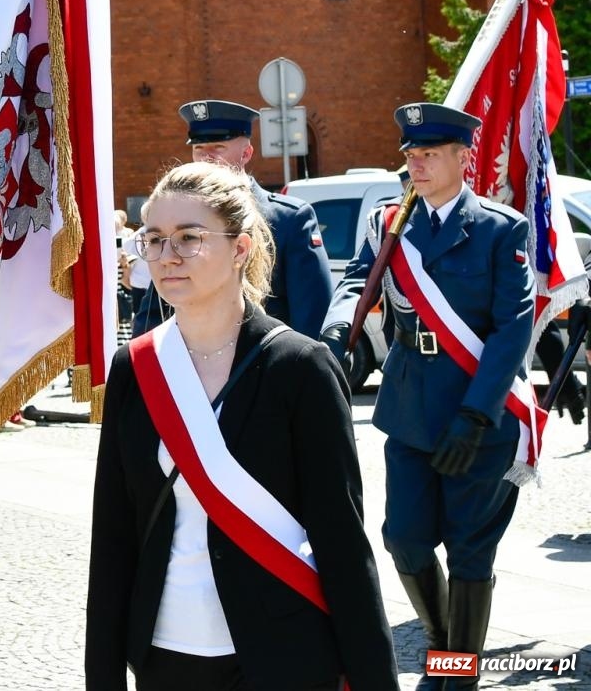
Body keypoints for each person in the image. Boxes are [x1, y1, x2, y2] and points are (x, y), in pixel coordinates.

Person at [86, 161, 397, 691]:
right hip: (165, 654)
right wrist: (104, 674)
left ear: (240, 248)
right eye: (154, 239)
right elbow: (113, 534)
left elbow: (342, 542)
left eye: (189, 237)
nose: (167, 256)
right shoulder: (135, 368)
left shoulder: (301, 368)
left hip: (284, 652)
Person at [320, 104, 535, 687]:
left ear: (464, 158)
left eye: (429, 154)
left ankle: (457, 674)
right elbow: (355, 279)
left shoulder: (499, 227)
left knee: (470, 551)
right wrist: (340, 326)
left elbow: (513, 328)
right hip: (410, 405)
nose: (415, 163)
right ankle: (444, 646)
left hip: (477, 412)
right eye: (410, 154)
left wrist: (476, 412)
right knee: (404, 537)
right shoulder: (393, 221)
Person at [132, 100, 332, 338]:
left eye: (218, 147)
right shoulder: (177, 217)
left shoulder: (288, 219)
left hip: (268, 363)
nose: (206, 158)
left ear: (246, 153)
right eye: (199, 149)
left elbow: (311, 315)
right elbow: (155, 314)